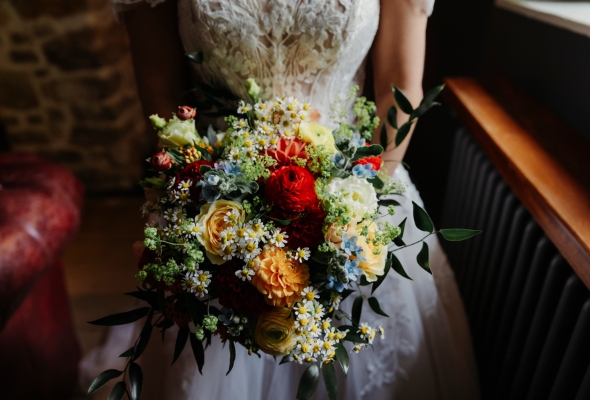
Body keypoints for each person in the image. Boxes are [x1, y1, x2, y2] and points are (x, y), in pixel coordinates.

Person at [80, 1, 480, 398]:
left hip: (355, 192)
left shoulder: (356, 207)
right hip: (220, 208)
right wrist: (209, 211)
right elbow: (162, 92)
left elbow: (399, 88)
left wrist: (356, 210)